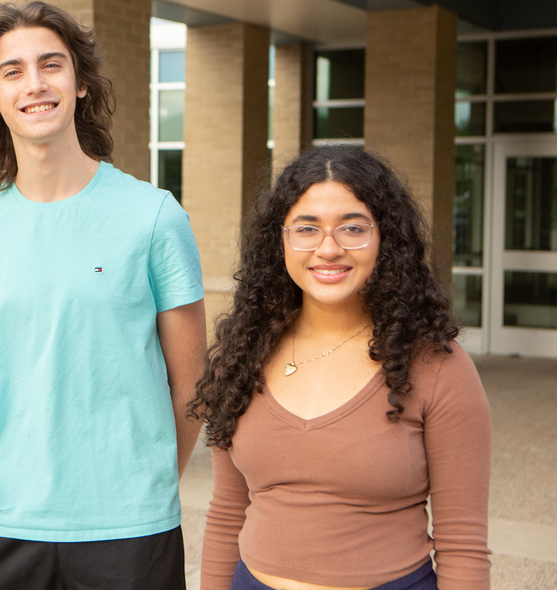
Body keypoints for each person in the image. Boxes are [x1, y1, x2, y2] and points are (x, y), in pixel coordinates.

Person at [0, 0, 207, 589]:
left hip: (130, 529)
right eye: (12, 71)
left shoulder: (154, 217)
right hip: (5, 525)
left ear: (80, 83)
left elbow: (192, 390)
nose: (35, 84)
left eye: (51, 65)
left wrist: (145, 481)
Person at [191, 146, 492, 590]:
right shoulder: (244, 354)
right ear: (281, 240)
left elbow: (462, 544)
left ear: (385, 238)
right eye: (307, 228)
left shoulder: (436, 366)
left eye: (352, 228)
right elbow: (226, 515)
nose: (328, 249)